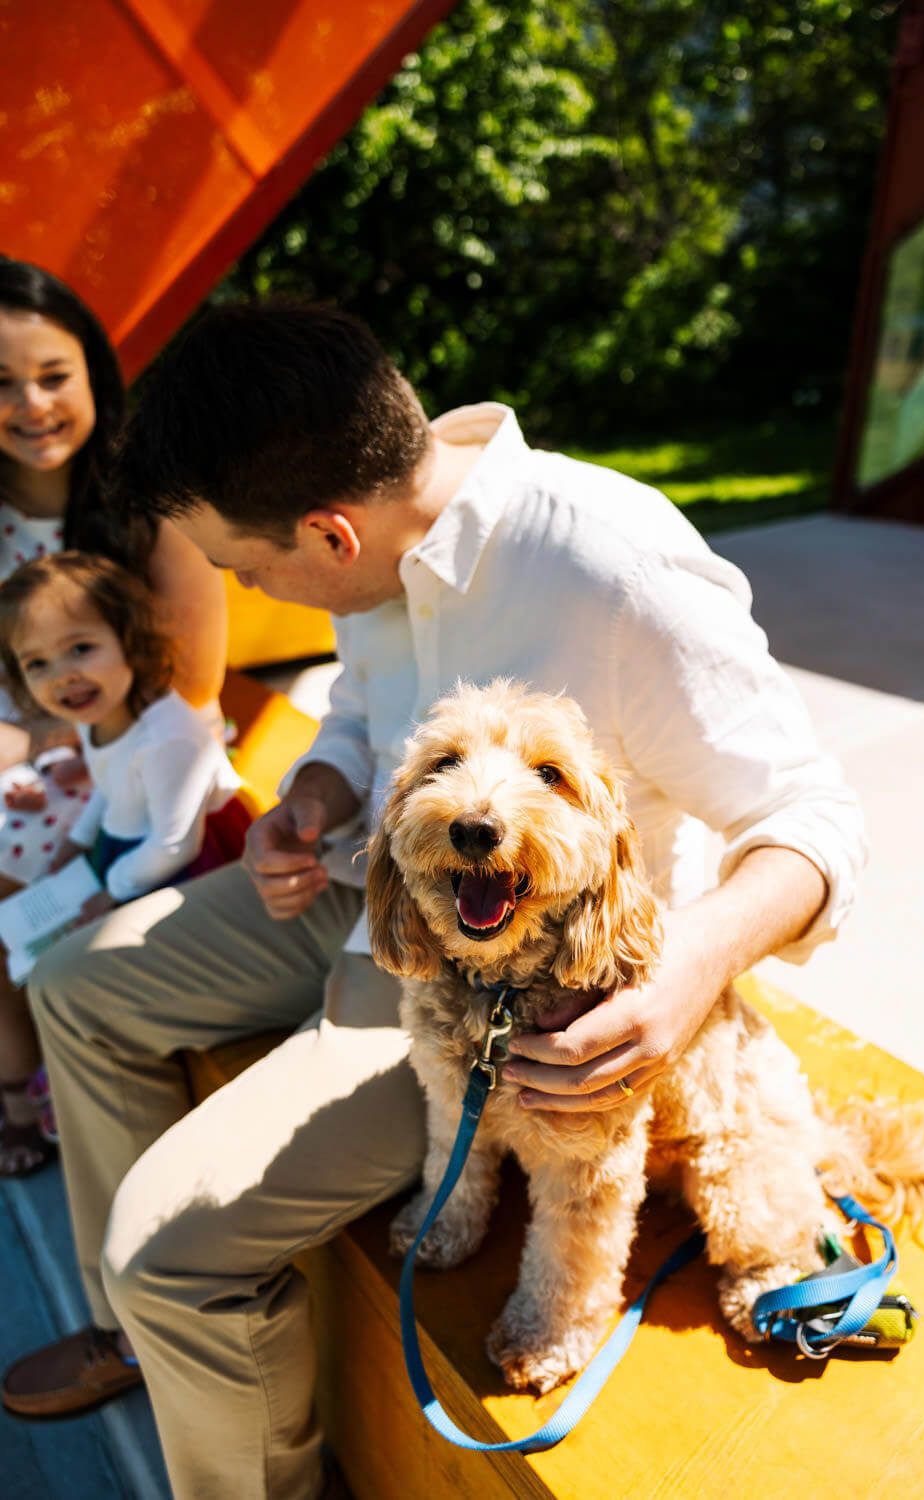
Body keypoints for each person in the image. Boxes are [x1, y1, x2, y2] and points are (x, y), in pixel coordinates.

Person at [1, 302, 865, 1500]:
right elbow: (361, 715)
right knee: (71, 982)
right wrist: (309, 793)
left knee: (167, 1249)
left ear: (328, 533)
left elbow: (814, 821)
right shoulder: (376, 538)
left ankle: (174, 1333)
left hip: (520, 987)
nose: (256, 589)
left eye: (252, 570)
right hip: (368, 892)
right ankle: (134, 1337)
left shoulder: (614, 564)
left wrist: (682, 979)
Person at [0, 257, 229, 1173]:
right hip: (25, 741)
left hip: (136, 749)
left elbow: (194, 684)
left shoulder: (151, 503)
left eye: (53, 376)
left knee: (21, 856)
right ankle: (19, 1079)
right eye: (2, 385)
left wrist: (54, 744)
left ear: (94, 371)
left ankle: (45, 1078)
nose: (31, 403)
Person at [0, 552, 252, 919]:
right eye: (37, 663)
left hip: (194, 861)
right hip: (136, 844)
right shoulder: (93, 710)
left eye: (80, 649)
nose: (63, 676)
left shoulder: (167, 740)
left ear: (129, 640)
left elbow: (175, 845)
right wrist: (77, 841)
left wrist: (111, 891)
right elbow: (110, 780)